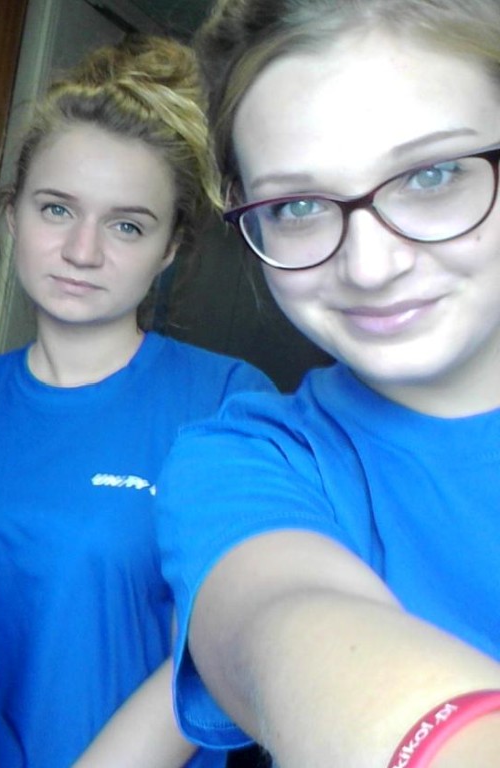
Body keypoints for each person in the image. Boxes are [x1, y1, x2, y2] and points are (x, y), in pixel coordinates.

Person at [0, 36, 274, 768]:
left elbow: (223, 651)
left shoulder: (227, 405)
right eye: (56, 209)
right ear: (12, 215)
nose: (82, 251)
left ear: (171, 249)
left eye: (127, 225)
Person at [154, 1, 500, 766]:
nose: (370, 267)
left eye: (432, 175)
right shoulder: (247, 461)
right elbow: (285, 623)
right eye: (297, 206)